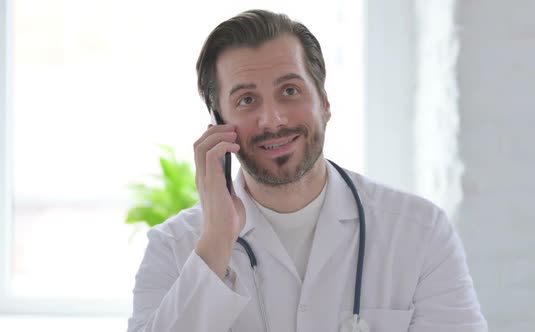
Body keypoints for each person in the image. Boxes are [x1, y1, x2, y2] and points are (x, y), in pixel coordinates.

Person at [127, 9, 488, 332]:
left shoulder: (419, 233)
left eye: (290, 90)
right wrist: (218, 239)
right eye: (247, 100)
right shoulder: (173, 248)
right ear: (218, 124)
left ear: (324, 103)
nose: (273, 119)